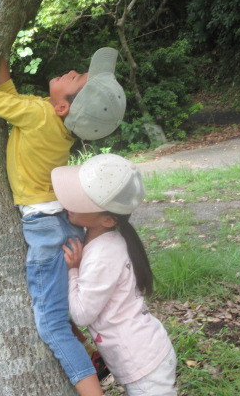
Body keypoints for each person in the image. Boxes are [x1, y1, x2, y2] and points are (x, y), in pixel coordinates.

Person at [0, 13, 126, 396]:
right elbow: (11, 98)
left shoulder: (41, 116)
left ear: (63, 108)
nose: (73, 71)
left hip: (45, 229)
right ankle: (96, 365)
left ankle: (92, 391)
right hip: (60, 222)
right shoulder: (54, 123)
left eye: (77, 79)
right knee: (63, 315)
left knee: (52, 324)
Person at [52, 154, 177, 396]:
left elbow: (81, 314)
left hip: (143, 362)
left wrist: (73, 271)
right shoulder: (107, 237)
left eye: (82, 200)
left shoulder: (103, 256)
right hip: (145, 351)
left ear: (108, 219)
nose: (69, 203)